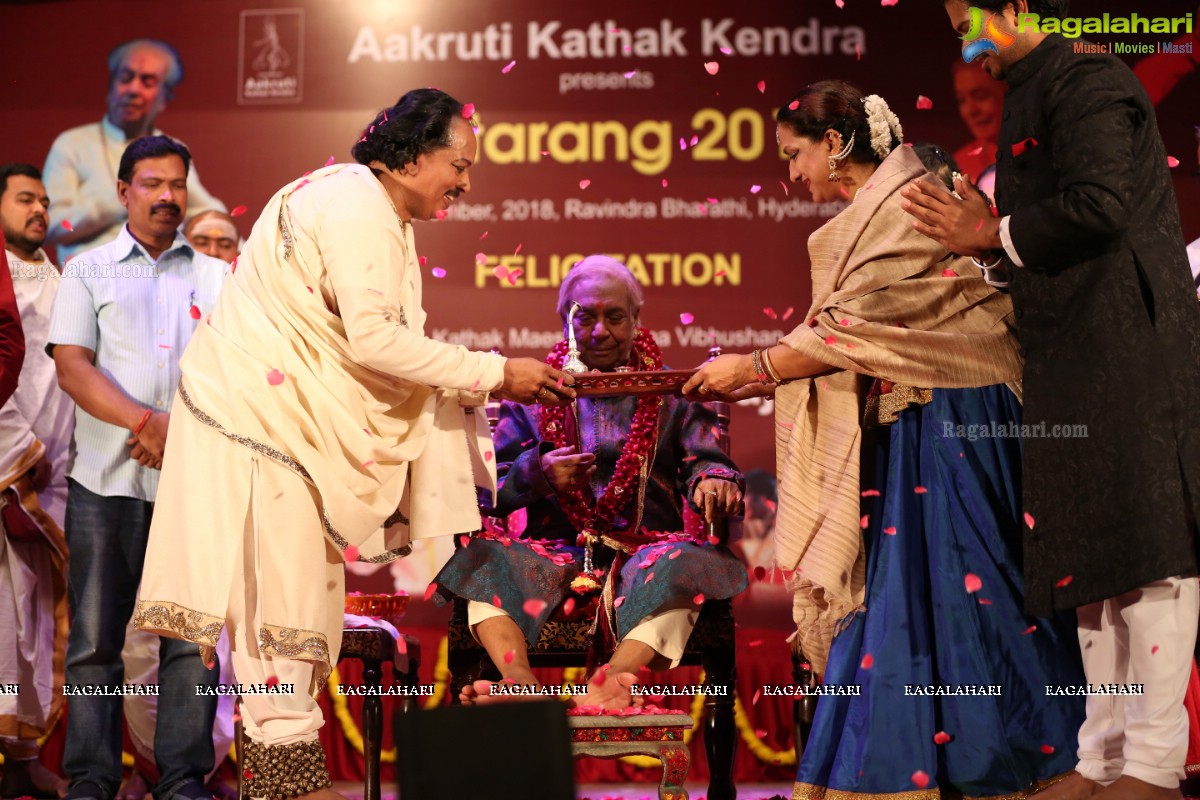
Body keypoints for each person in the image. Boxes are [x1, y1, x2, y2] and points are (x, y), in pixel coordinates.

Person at [130, 88, 574, 800]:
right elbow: (376, 343)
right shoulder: (359, 206)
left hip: (276, 425)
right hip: (261, 426)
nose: (467, 182)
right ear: (408, 155)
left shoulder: (371, 207)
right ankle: (285, 783)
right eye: (458, 164)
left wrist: (471, 378)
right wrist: (493, 373)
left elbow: (373, 345)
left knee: (300, 600)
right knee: (282, 602)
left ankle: (285, 777)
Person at [685, 80, 1087, 799]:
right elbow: (861, 330)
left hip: (965, 415)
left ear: (834, 145)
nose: (790, 173)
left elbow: (852, 330)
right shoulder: (869, 216)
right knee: (913, 593)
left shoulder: (909, 202)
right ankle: (939, 767)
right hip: (918, 419)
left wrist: (752, 369)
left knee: (985, 584)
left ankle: (1038, 764)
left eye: (794, 154)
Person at [904, 3, 1200, 799]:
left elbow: (1101, 204)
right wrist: (991, 255)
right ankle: (1102, 756)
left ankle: (1154, 764)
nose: (963, 38)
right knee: (1087, 564)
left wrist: (989, 233)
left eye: (971, 17)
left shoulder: (1089, 78)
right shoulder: (1030, 93)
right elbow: (1036, 239)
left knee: (1148, 552)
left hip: (1129, 352)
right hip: (1067, 353)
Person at [432, 255, 747, 709]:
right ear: (565, 321)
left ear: (637, 321)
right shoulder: (533, 397)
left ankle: (613, 681)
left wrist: (713, 483)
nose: (600, 331)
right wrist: (538, 475)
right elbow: (488, 489)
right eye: (585, 316)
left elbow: (707, 463)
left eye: (614, 316)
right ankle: (519, 683)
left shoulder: (670, 394)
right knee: (482, 556)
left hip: (648, 552)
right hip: (552, 555)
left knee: (686, 562)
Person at [47, 135, 227, 800]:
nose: (167, 197)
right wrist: (146, 423)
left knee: (190, 642)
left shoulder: (218, 277)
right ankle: (91, 777)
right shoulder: (89, 270)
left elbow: (235, 375)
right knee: (96, 640)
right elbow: (72, 367)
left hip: (194, 485)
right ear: (124, 191)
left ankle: (183, 779)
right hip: (105, 482)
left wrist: (178, 431)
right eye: (152, 183)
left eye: (178, 184)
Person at [0, 164, 70, 799]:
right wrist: (19, 446)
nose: (39, 209)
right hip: (6, 464)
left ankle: (24, 754)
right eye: (24, 199)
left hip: (51, 483)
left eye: (45, 201)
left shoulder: (67, 282)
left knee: (34, 624)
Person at [43, 39, 225, 263]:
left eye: (147, 82)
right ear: (110, 87)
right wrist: (122, 200)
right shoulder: (73, 144)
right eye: (125, 78)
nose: (133, 89)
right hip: (92, 275)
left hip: (163, 271)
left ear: (164, 98)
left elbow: (205, 211)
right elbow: (50, 224)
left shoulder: (171, 149)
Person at [950, 59, 1006, 194]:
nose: (970, 110)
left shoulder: (1039, 152)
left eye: (981, 96)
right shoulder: (958, 166)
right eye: (961, 100)